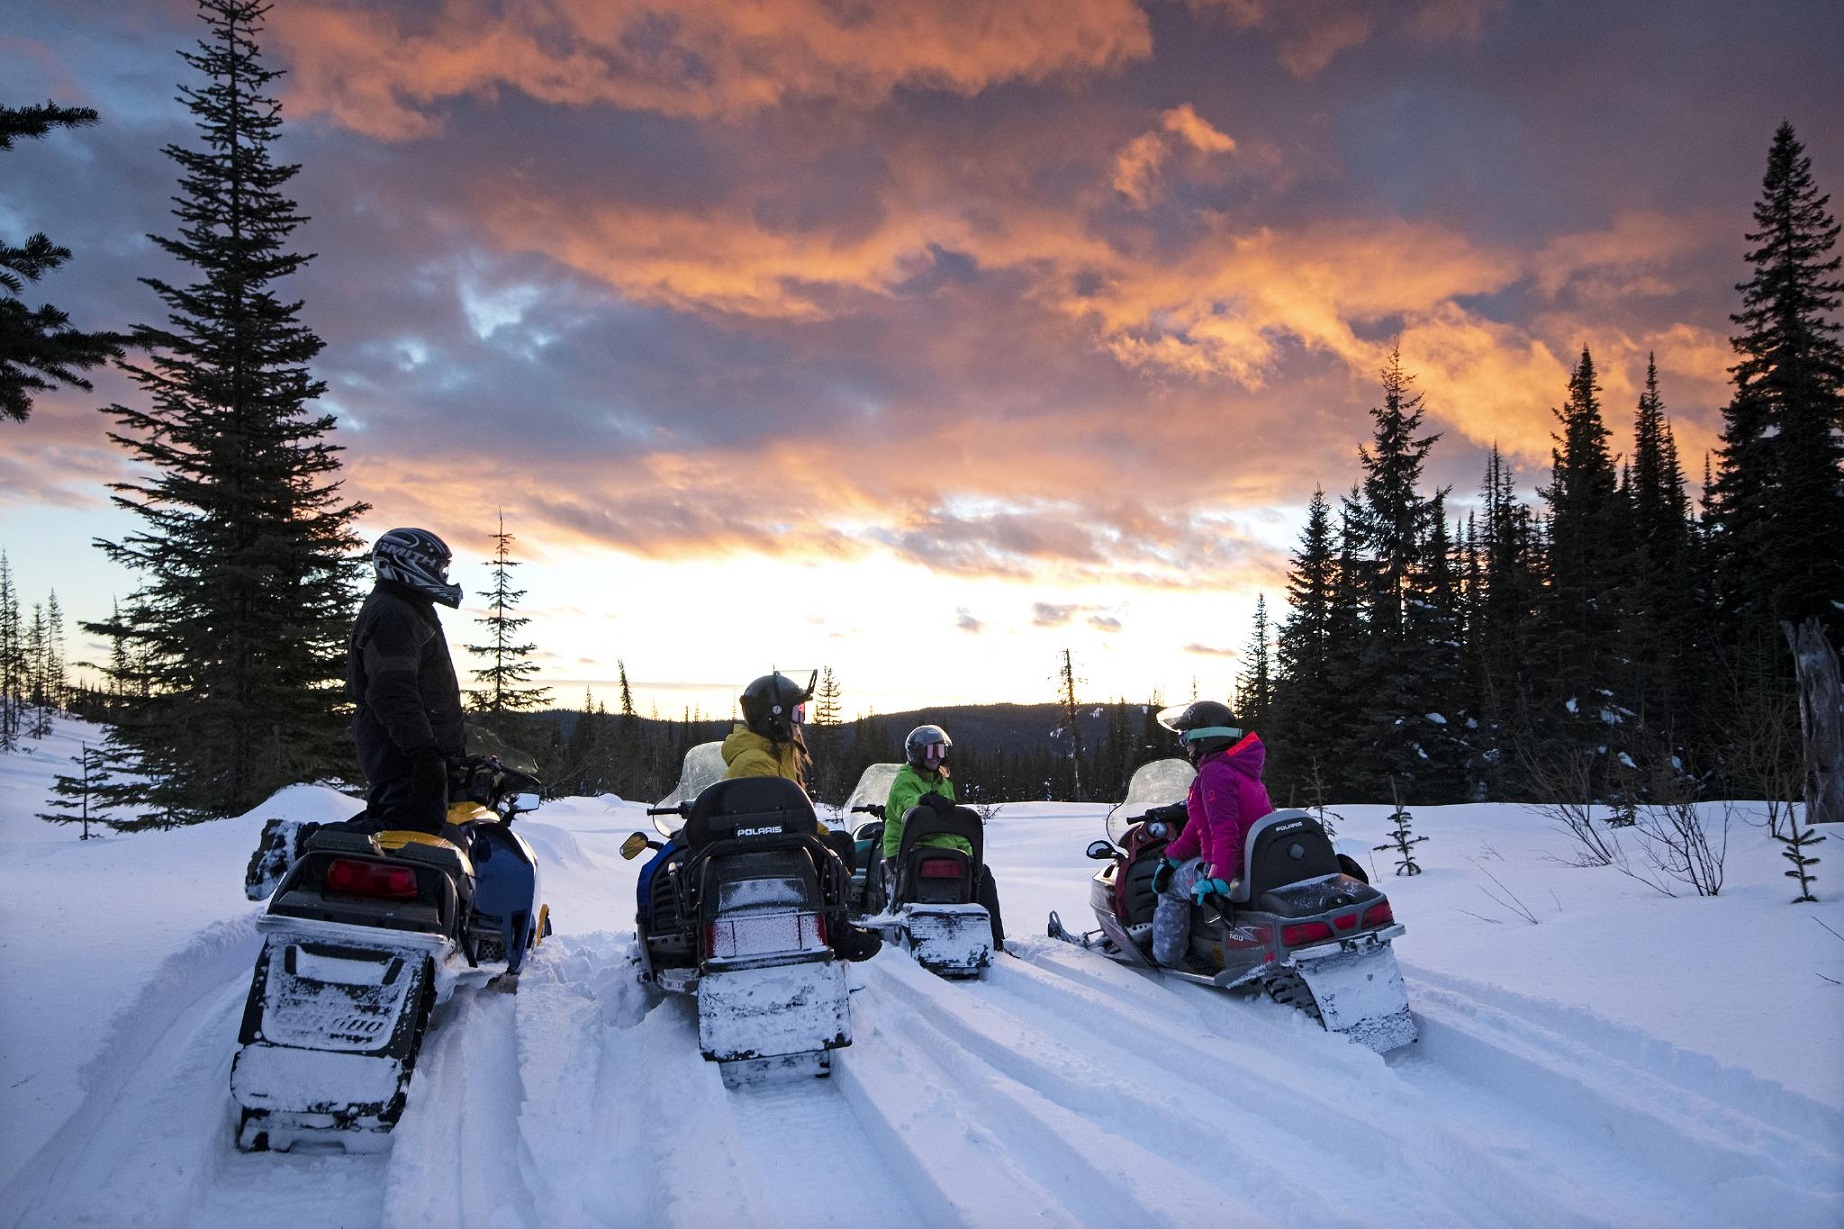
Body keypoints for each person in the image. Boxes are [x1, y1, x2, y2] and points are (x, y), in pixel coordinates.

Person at [346, 527, 468, 835]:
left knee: (403, 831)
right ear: (410, 564)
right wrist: (424, 753)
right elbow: (392, 691)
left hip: (408, 752)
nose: (442, 576)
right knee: (406, 836)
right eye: (436, 568)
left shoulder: (408, 609)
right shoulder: (393, 614)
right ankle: (300, 843)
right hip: (402, 753)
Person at [1149, 701, 1273, 972]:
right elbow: (1198, 825)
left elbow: (1224, 830)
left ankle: (1167, 956)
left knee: (1170, 888)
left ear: (1203, 738)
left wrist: (1218, 878)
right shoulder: (1238, 767)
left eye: (1186, 736)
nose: (1185, 745)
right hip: (1255, 859)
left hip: (1232, 865)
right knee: (1175, 870)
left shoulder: (1215, 774)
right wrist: (1171, 857)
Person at [882, 724, 1006, 952]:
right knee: (908, 878)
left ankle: (995, 938)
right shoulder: (904, 780)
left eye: (940, 751)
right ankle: (901, 919)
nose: (936, 757)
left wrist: (971, 859)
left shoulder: (944, 784)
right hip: (908, 848)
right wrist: (923, 800)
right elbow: (904, 803)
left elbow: (955, 824)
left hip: (946, 849)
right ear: (917, 754)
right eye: (930, 752)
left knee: (983, 876)